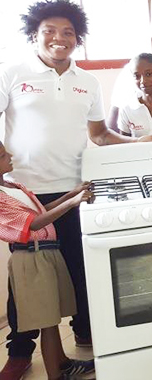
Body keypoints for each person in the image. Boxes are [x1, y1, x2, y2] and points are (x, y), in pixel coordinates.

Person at [0, 0, 151, 380]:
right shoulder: (13, 73)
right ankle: (19, 352)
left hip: (75, 190)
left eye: (67, 32)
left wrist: (140, 144)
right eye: (49, 31)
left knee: (80, 267)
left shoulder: (87, 82)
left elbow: (99, 135)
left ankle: (83, 332)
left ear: (77, 38)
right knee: (27, 278)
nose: (58, 38)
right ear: (33, 35)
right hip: (27, 195)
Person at [0, 142, 95, 380]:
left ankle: (62, 364)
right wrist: (72, 203)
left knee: (52, 316)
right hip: (31, 259)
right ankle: (56, 375)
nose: (10, 154)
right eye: (3, 154)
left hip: (45, 253)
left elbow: (39, 213)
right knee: (48, 321)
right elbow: (32, 224)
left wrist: (71, 194)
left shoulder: (13, 186)